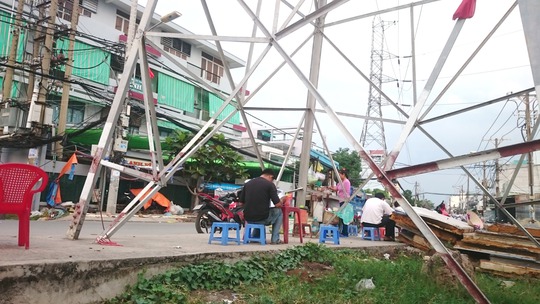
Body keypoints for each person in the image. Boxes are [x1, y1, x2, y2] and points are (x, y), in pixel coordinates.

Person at [239, 168, 284, 244]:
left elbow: (241, 203)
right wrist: (282, 199)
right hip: (262, 217)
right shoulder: (270, 185)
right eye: (272, 179)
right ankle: (275, 239)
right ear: (270, 176)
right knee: (279, 212)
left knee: (259, 215)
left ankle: (255, 237)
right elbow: (277, 204)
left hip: (248, 217)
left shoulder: (248, 184)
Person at [332, 168, 351, 237]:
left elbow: (344, 190)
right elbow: (336, 188)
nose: (339, 176)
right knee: (341, 217)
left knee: (344, 217)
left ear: (343, 174)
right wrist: (331, 188)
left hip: (344, 200)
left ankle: (345, 232)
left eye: (340, 175)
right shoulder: (340, 182)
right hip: (340, 200)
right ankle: (342, 231)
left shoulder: (346, 182)